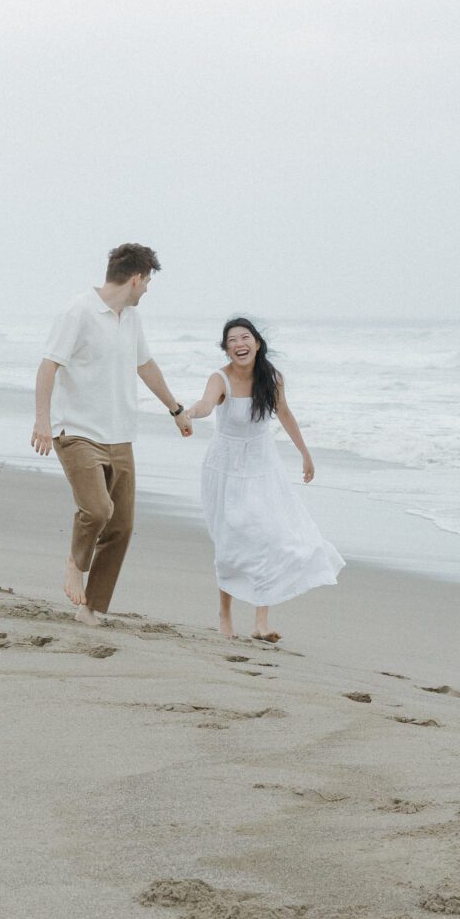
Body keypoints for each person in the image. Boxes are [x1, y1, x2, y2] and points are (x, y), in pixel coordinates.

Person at [32, 242, 192, 625]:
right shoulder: (78, 312)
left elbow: (146, 365)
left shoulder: (131, 318)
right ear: (135, 279)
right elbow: (48, 366)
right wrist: (41, 421)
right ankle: (75, 563)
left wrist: (176, 409)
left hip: (121, 435)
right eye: (148, 281)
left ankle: (92, 609)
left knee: (121, 525)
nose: (148, 290)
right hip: (77, 432)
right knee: (98, 509)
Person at [183, 316, 342, 641]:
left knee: (268, 537)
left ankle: (261, 621)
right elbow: (205, 404)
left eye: (245, 337)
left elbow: (284, 413)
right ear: (226, 349)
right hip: (225, 468)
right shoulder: (220, 378)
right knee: (230, 542)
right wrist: (189, 413)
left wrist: (305, 453)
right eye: (232, 340)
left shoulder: (271, 377)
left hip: (262, 466)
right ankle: (225, 614)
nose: (239, 344)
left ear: (257, 342)